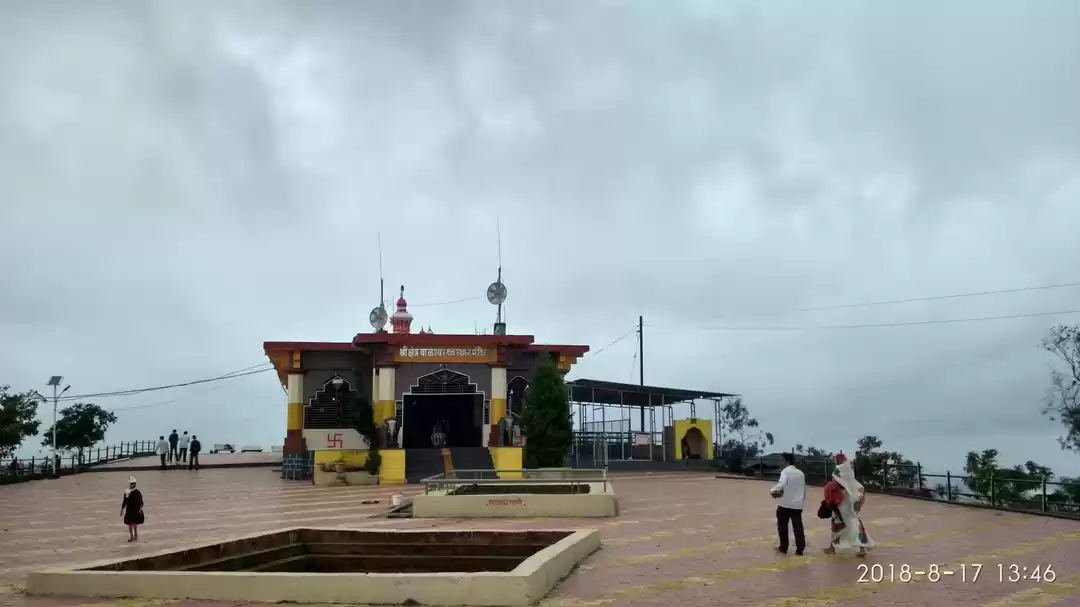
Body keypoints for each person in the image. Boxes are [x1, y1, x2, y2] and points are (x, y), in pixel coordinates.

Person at [822, 454, 875, 557]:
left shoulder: (838, 470)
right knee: (854, 522)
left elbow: (835, 484)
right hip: (849, 499)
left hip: (840, 500)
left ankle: (832, 547)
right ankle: (862, 548)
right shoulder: (849, 470)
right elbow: (853, 484)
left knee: (836, 523)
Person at [770, 452, 807, 555]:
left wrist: (772, 490)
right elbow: (803, 489)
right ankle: (800, 549)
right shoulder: (801, 473)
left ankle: (783, 547)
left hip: (785, 504)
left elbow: (781, 484)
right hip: (797, 505)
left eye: (781, 460)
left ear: (787, 461)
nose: (780, 462)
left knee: (782, 526)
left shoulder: (785, 472)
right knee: (798, 527)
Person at [121, 476, 144, 542]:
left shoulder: (137, 492)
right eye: (132, 483)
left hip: (135, 509)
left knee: (134, 524)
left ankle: (135, 536)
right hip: (129, 510)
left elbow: (141, 502)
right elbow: (124, 501)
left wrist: (140, 509)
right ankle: (131, 536)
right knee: (129, 524)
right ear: (130, 484)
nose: (133, 484)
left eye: (134, 483)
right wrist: (122, 510)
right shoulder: (126, 491)